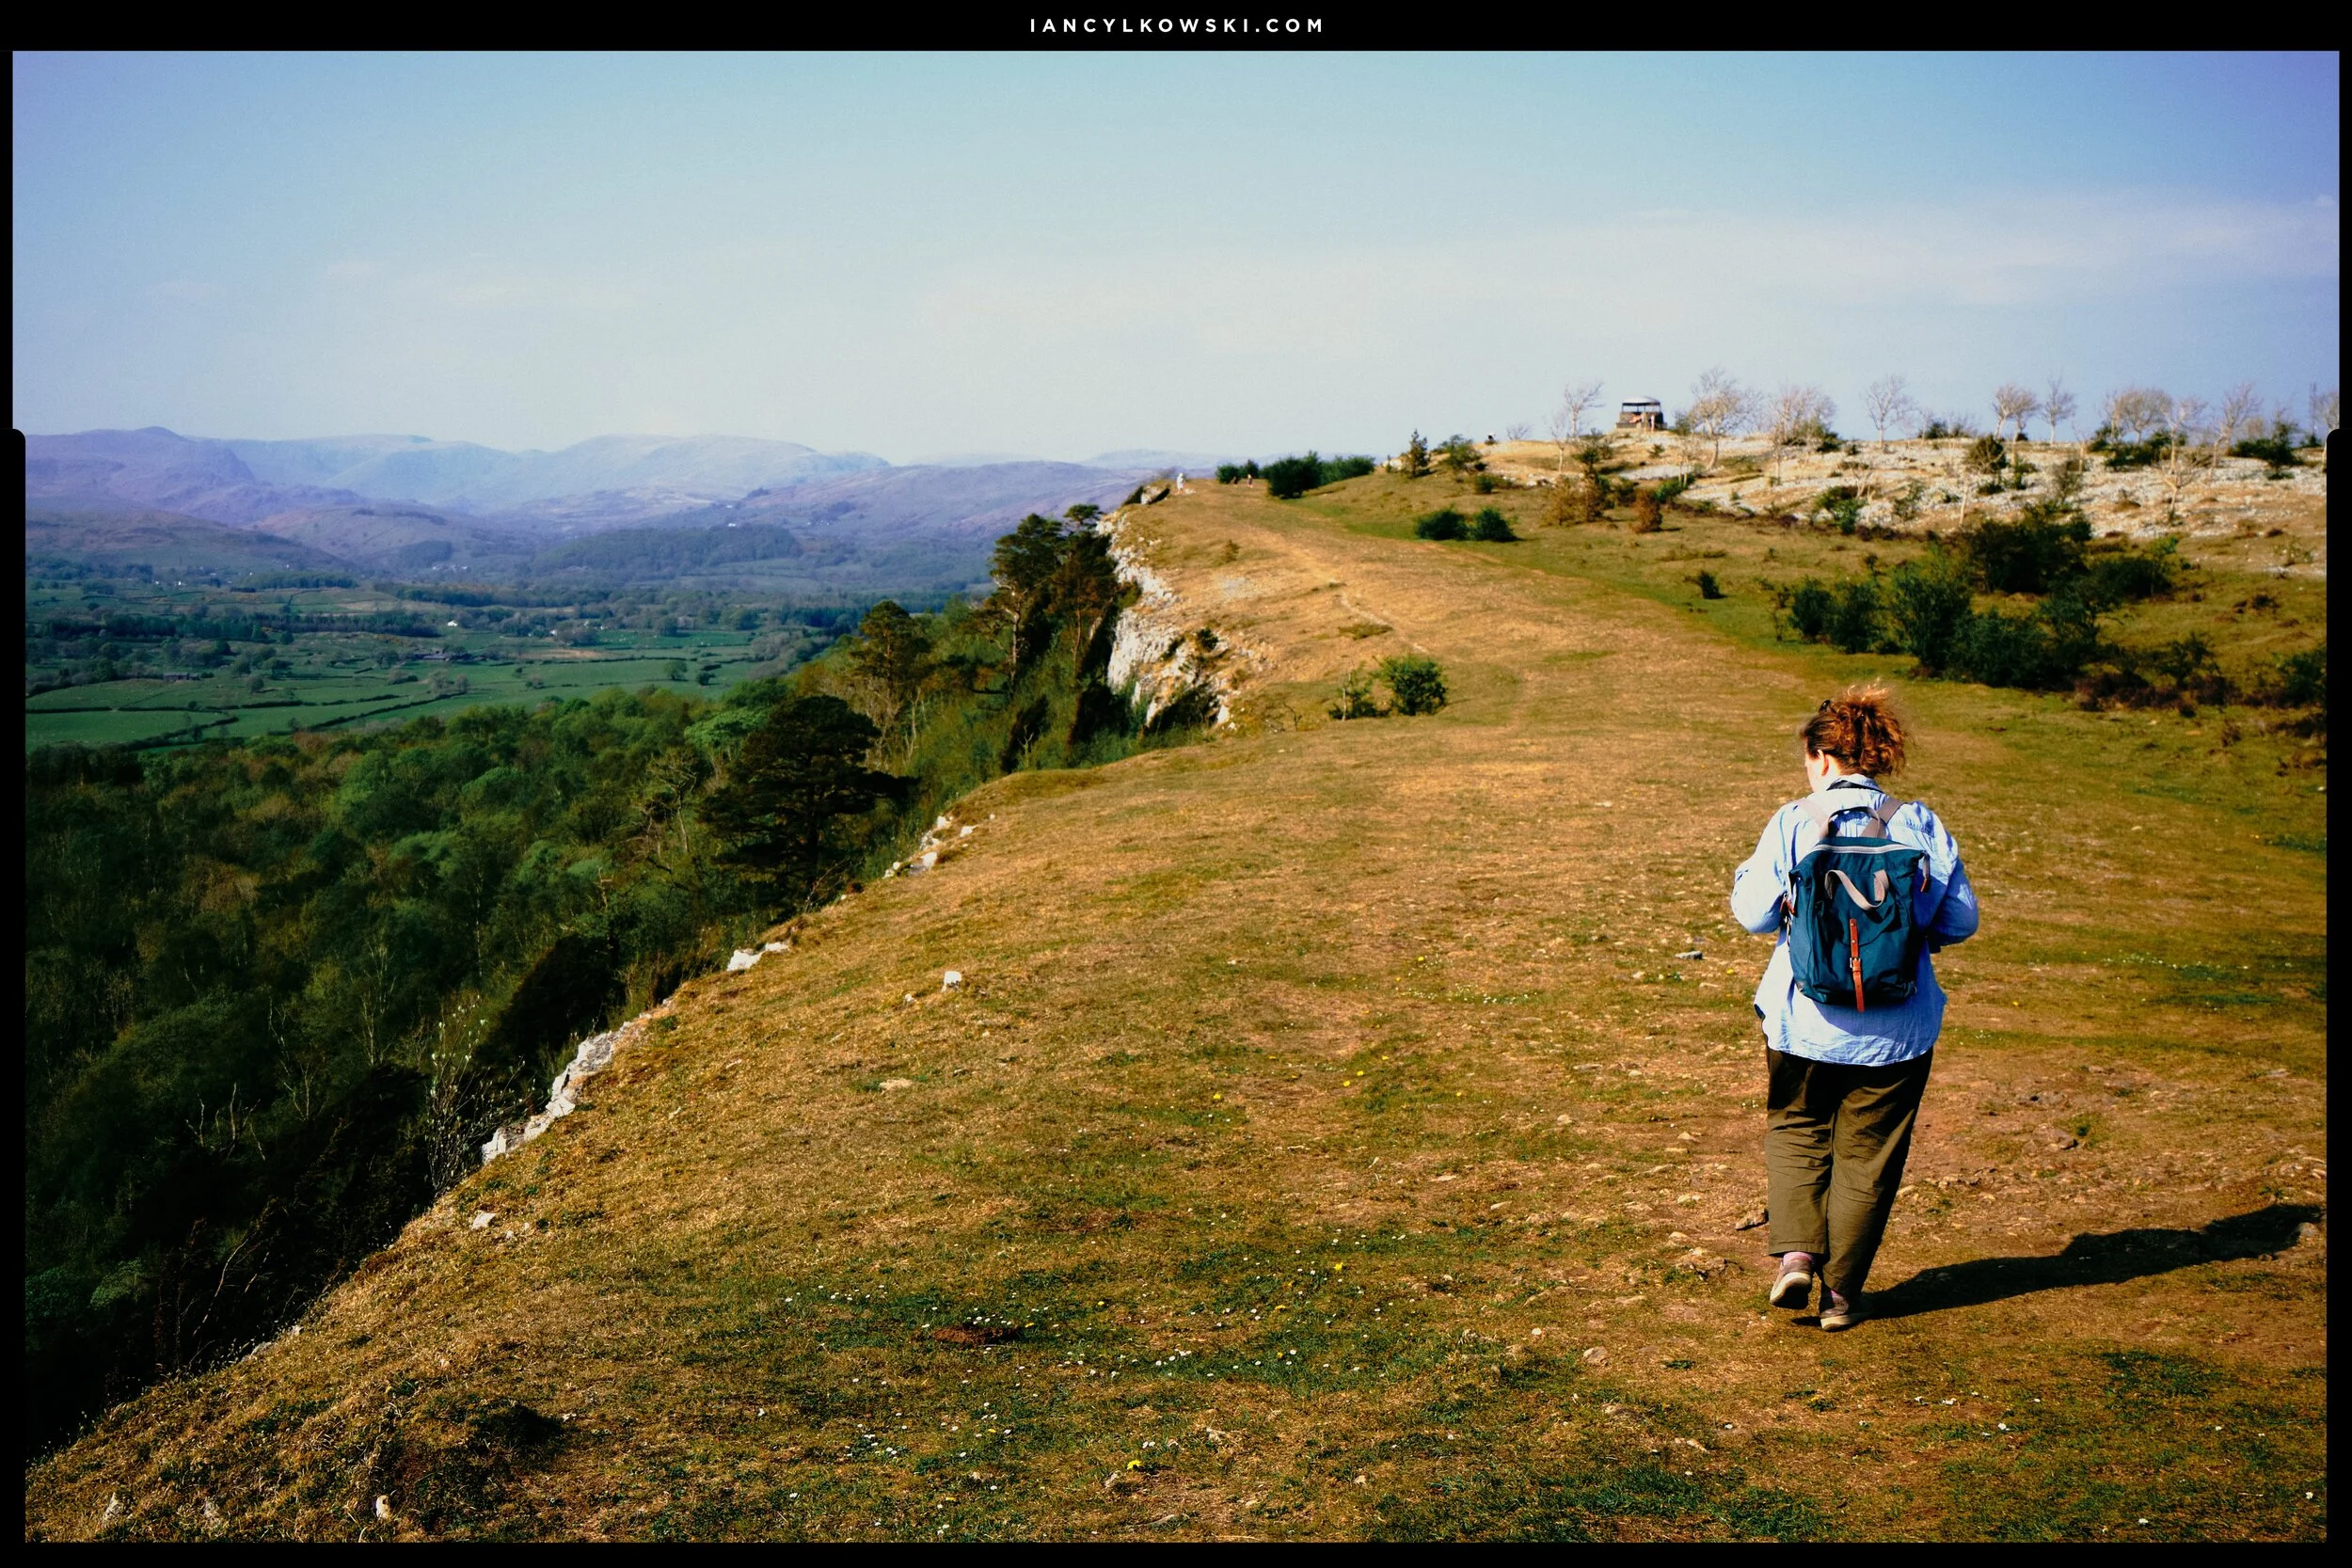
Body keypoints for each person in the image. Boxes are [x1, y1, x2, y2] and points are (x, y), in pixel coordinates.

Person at [1729, 685, 1979, 1330]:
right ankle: (1841, 1297)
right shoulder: (1919, 822)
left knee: (1795, 1126)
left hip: (1802, 1017)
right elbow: (1961, 920)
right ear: (1875, 755)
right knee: (1870, 1154)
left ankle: (1795, 1258)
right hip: (1898, 1027)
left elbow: (1754, 913)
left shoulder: (1793, 820)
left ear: (1819, 755)